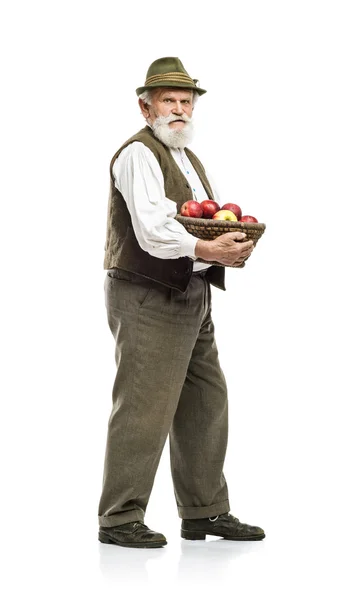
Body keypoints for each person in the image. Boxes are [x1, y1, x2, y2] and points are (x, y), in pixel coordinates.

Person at [98, 57, 265, 548]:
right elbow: (153, 229)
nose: (179, 109)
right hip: (147, 292)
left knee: (206, 400)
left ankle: (205, 513)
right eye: (168, 101)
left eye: (185, 101)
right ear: (145, 106)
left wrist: (227, 244)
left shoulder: (187, 157)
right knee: (145, 405)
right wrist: (206, 249)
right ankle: (119, 517)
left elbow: (195, 220)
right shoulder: (137, 154)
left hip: (192, 291)